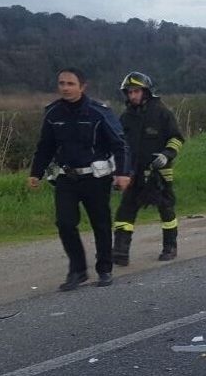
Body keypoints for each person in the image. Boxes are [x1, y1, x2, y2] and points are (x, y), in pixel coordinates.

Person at [28, 68, 132, 290]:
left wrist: (123, 173)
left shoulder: (99, 112)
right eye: (61, 83)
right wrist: (35, 173)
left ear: (82, 87)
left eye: (70, 84)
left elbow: (119, 144)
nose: (65, 88)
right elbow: (45, 146)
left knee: (100, 224)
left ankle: (104, 269)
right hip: (67, 177)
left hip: (95, 178)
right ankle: (77, 271)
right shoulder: (53, 113)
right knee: (65, 223)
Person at [114, 72, 185, 265]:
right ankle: (120, 252)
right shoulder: (126, 117)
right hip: (133, 173)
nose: (132, 96)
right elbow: (119, 144)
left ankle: (170, 246)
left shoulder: (161, 112)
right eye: (129, 92)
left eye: (136, 91)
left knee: (166, 210)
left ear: (146, 92)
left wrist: (166, 155)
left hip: (159, 172)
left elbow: (176, 138)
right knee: (125, 211)